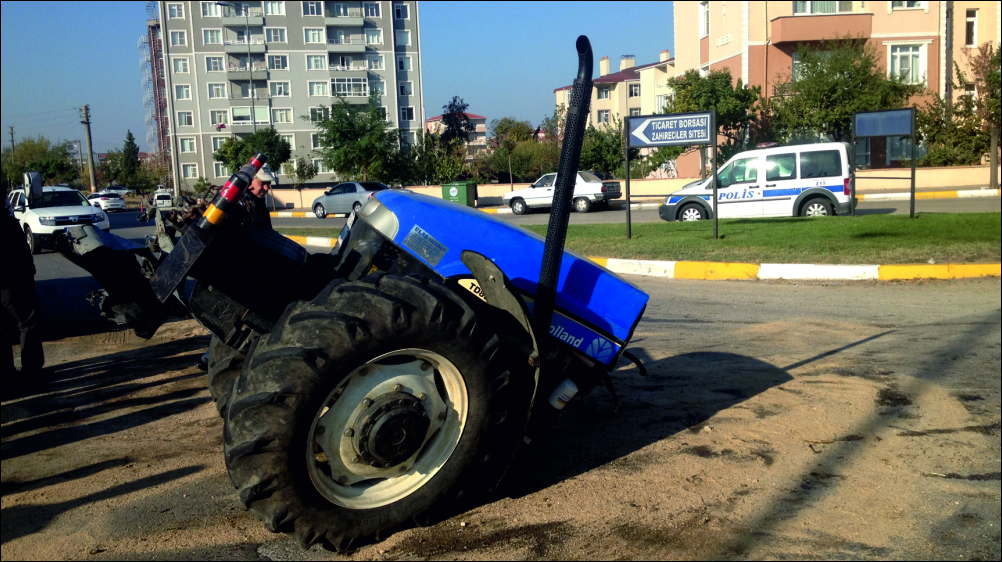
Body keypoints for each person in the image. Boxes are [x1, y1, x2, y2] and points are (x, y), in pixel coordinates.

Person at [2, 197, 45, 388]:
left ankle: (6, 374)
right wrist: (29, 279)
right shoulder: (8, 224)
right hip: (13, 285)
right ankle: (32, 372)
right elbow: (22, 255)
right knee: (28, 324)